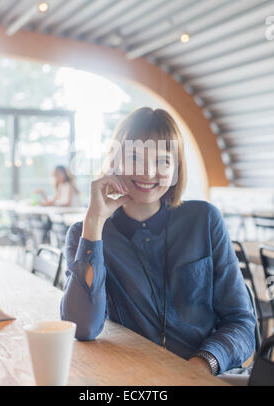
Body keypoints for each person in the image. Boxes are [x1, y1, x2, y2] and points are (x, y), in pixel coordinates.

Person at [60, 107, 255, 376]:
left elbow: (241, 321)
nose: (148, 172)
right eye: (135, 157)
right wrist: (94, 221)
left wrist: (201, 365)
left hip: (207, 373)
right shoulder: (87, 235)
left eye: (163, 160)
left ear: (176, 169)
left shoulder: (205, 220)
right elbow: (81, 327)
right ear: (115, 162)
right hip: (133, 375)